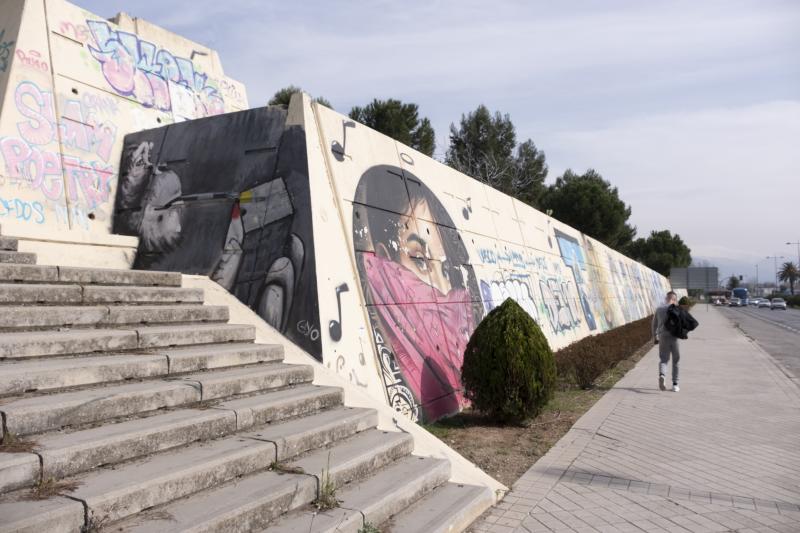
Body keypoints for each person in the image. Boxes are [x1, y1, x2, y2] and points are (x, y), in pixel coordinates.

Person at [652, 291, 681, 392]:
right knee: (676, 360)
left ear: (666, 298)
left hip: (662, 337)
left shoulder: (659, 309)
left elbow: (654, 324)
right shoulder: (677, 309)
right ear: (674, 299)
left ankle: (662, 375)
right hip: (674, 337)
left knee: (663, 359)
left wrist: (655, 337)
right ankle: (675, 384)